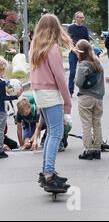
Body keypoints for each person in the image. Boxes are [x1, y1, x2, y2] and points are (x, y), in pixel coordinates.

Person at [30, 13, 73, 192]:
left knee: (51, 132)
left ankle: (47, 170)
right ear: (55, 28)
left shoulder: (34, 46)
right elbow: (60, 78)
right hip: (51, 92)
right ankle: (49, 173)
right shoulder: (53, 48)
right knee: (56, 132)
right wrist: (67, 101)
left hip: (39, 92)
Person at [75, 40, 105, 160]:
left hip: (86, 97)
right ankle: (97, 149)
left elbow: (79, 82)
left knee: (86, 124)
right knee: (97, 123)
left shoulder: (83, 64)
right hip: (98, 98)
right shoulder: (98, 64)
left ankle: (88, 150)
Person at [0, 58, 22, 159]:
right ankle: (0, 150)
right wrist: (16, 96)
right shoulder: (2, 82)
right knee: (1, 130)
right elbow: (3, 97)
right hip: (1, 109)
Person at [67, 11, 90, 96]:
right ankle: (70, 90)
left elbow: (87, 41)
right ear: (76, 18)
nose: (81, 19)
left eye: (82, 17)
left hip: (83, 52)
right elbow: (69, 41)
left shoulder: (84, 29)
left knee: (84, 71)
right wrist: (75, 51)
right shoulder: (71, 28)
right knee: (72, 72)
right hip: (73, 52)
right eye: (80, 17)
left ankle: (83, 90)